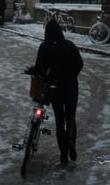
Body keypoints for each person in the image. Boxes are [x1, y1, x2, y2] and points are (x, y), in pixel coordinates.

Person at [26, 18, 83, 163]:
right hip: (71, 87)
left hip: (55, 89)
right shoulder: (70, 45)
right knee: (70, 116)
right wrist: (71, 76)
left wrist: (31, 70)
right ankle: (72, 142)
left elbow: (40, 69)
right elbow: (79, 64)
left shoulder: (45, 46)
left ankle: (63, 154)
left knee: (59, 119)